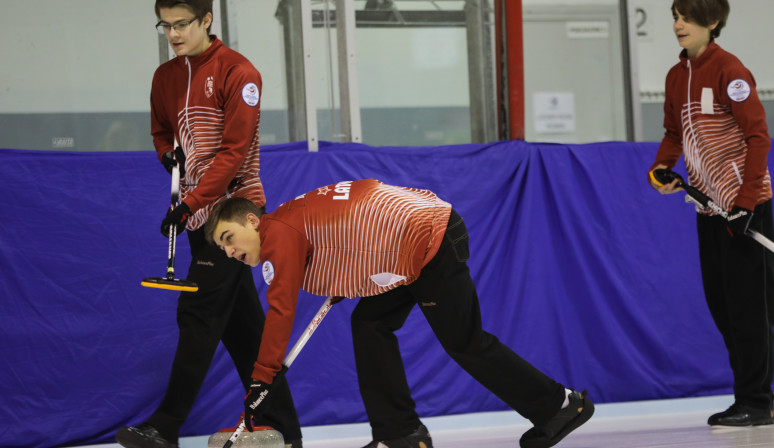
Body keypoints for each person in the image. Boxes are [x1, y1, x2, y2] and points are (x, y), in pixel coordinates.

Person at [204, 179, 595, 448]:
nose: (229, 252)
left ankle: (561, 406)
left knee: (465, 342)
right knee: (369, 322)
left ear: (252, 221)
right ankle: (400, 434)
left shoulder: (279, 235)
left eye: (229, 239)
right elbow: (351, 230)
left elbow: (282, 308)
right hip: (409, 243)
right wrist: (352, 279)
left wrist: (262, 378)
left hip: (430, 242)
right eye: (222, 248)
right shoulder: (292, 220)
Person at [115, 1, 303, 447]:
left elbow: (234, 151)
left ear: (206, 21)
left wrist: (191, 201)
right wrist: (167, 154)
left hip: (237, 216)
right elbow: (162, 130)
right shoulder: (165, 77)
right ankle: (287, 432)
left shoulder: (240, 73)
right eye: (166, 25)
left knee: (197, 312)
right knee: (244, 332)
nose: (174, 33)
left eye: (183, 24)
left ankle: (164, 426)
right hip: (198, 216)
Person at [647, 0, 774, 427]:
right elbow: (673, 133)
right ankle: (748, 397)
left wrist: (746, 201)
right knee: (722, 305)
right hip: (709, 208)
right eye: (675, 16)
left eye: (687, 17)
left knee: (749, 309)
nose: (678, 24)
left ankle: (757, 403)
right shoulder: (675, 76)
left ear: (713, 22)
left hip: (745, 205)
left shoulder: (730, 70)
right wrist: (661, 168)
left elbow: (758, 138)